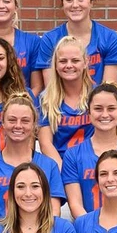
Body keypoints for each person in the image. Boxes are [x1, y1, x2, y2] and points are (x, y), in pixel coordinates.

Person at [61, 84, 117, 218]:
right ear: (89, 113)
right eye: (98, 109)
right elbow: (75, 205)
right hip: (87, 232)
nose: (105, 114)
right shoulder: (73, 155)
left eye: (111, 108)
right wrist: (93, 231)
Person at [0, 94, 64, 224]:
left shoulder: (49, 165)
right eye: (12, 120)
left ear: (34, 125)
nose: (18, 126)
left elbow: (54, 211)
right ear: (2, 124)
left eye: (25, 121)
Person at [34, 0, 117, 88]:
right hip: (61, 104)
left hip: (98, 103)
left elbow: (109, 89)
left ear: (91, 2)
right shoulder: (49, 39)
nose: (75, 5)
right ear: (63, 4)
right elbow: (51, 89)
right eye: (69, 0)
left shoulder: (109, 38)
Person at [36, 36, 94, 169]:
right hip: (60, 166)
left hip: (92, 166)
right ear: (55, 65)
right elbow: (45, 144)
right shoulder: (45, 100)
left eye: (75, 60)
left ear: (85, 62)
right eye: (63, 61)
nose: (69, 65)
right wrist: (65, 172)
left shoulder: (97, 95)